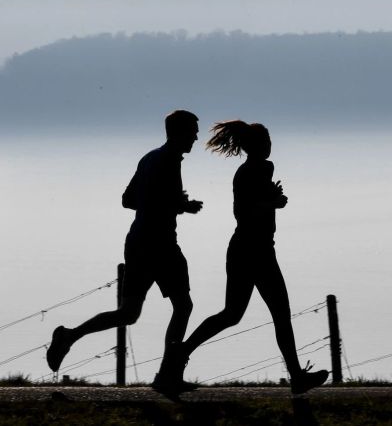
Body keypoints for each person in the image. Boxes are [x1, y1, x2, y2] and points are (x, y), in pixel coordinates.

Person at [46, 110, 203, 394]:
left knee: (129, 313)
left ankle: (69, 335)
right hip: (161, 244)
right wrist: (182, 205)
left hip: (137, 242)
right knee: (183, 306)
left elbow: (127, 200)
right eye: (193, 130)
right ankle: (167, 374)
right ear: (179, 132)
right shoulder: (167, 161)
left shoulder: (150, 158)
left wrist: (170, 202)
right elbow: (154, 204)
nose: (196, 135)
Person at [179, 120, 328, 394]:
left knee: (238, 314)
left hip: (252, 249)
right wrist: (272, 202)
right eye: (268, 142)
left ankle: (182, 352)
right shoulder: (248, 172)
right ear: (258, 146)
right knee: (259, 314)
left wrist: (271, 198)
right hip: (252, 250)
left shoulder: (262, 169)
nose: (271, 146)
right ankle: (296, 378)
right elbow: (243, 214)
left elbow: (258, 202)